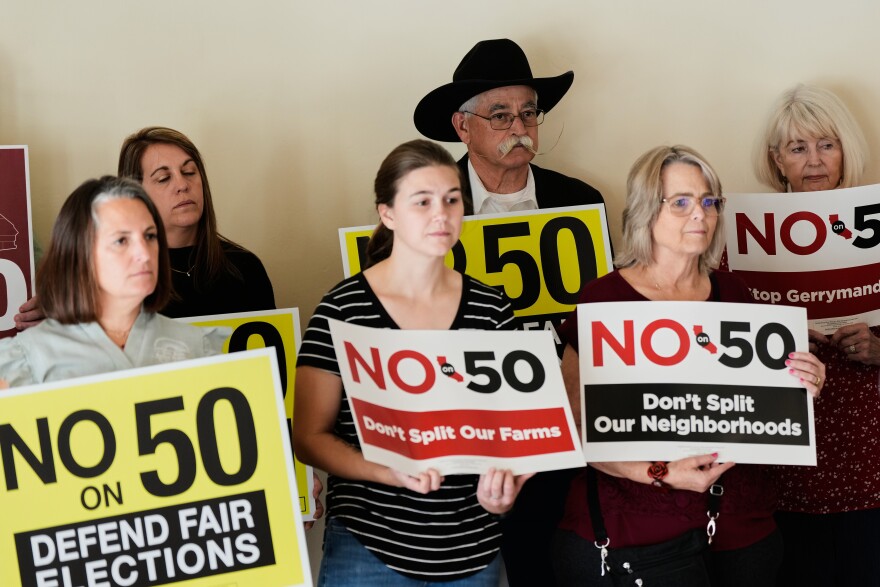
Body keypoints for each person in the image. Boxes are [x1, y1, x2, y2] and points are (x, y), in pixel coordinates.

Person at [553, 145, 825, 586]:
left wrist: (803, 384)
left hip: (742, 529)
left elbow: (763, 412)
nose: (699, 213)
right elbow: (573, 429)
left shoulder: (736, 292)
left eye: (708, 200)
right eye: (680, 202)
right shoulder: (604, 300)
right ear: (645, 211)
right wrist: (661, 473)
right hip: (638, 535)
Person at [293, 139, 532, 585]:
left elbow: (513, 433)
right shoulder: (344, 309)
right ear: (388, 213)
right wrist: (387, 472)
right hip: (367, 548)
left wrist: (505, 492)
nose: (441, 214)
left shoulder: (491, 307)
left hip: (474, 553)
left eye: (452, 199)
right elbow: (307, 436)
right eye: (422, 201)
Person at [414, 38, 607, 583]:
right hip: (466, 432)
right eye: (500, 115)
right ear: (462, 127)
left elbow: (604, 314)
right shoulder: (424, 206)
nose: (519, 125)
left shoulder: (581, 201)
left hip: (566, 426)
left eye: (528, 112)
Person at [753, 84, 879, 587]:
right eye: (797, 148)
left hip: (870, 463)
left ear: (846, 151)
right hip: (786, 467)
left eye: (826, 144)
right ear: (776, 160)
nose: (814, 161)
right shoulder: (743, 236)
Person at [0, 176, 228, 387]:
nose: (144, 254)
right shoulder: (27, 358)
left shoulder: (197, 347)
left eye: (150, 236)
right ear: (80, 255)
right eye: (121, 240)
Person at [117, 126, 275, 318]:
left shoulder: (246, 269)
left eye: (189, 172)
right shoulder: (117, 283)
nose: (182, 185)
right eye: (163, 178)